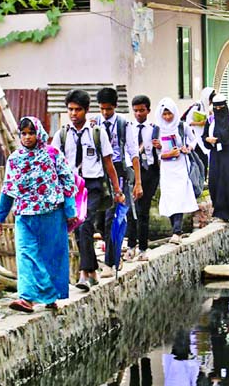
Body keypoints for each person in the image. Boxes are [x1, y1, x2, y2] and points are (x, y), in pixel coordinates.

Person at [0, 117, 78, 313]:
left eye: (31, 133)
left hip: (51, 215)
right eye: (23, 133)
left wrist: (70, 210)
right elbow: (8, 189)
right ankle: (27, 298)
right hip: (25, 215)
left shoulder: (52, 155)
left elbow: (67, 182)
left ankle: (51, 297)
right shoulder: (15, 159)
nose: (27, 137)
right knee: (25, 254)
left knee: (51, 257)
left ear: (38, 133)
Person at [52, 90, 125, 291]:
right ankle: (92, 270)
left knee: (84, 224)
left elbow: (109, 163)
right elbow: (53, 162)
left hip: (93, 185)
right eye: (70, 110)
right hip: (71, 187)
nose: (74, 113)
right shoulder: (62, 135)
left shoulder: (97, 133)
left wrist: (117, 191)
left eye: (78, 110)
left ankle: (84, 274)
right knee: (77, 228)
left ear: (86, 111)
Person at [94, 88, 143, 278]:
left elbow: (134, 153)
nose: (105, 113)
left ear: (114, 106)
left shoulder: (124, 125)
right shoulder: (95, 124)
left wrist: (138, 182)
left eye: (108, 109)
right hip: (99, 173)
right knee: (97, 220)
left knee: (112, 218)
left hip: (119, 172)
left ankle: (109, 263)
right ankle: (114, 255)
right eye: (102, 109)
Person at [156, 97, 199, 244]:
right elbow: (156, 153)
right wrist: (167, 153)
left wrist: (188, 148)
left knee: (179, 196)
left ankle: (177, 231)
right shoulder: (158, 130)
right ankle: (175, 229)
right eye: (164, 114)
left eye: (170, 114)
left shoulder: (182, 126)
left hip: (180, 167)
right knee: (169, 198)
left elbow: (193, 140)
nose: (167, 117)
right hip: (167, 168)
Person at [129, 95, 160, 262]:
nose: (138, 114)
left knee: (143, 211)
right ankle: (131, 246)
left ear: (148, 110)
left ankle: (142, 248)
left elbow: (160, 153)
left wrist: (160, 147)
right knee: (130, 211)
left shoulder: (154, 129)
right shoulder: (129, 128)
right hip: (133, 171)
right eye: (135, 111)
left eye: (142, 110)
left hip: (150, 172)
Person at [185, 87, 215, 177]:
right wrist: (199, 123)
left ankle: (203, 178)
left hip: (202, 136)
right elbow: (188, 121)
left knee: (204, 159)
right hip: (195, 137)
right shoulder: (197, 106)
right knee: (200, 159)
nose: (210, 103)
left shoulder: (206, 107)